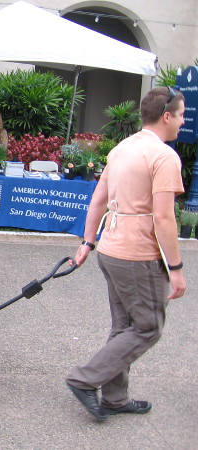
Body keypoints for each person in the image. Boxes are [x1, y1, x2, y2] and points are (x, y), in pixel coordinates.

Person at [66, 87, 187, 421]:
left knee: (124, 327)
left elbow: (99, 199)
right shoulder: (163, 157)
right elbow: (164, 217)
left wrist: (88, 242)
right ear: (166, 116)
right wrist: (175, 268)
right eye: (180, 114)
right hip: (138, 256)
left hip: (111, 250)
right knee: (148, 327)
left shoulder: (121, 149)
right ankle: (85, 379)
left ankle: (115, 399)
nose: (183, 120)